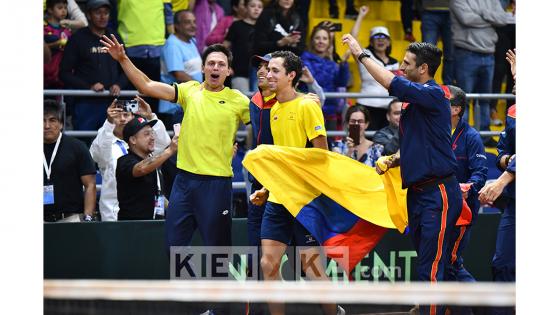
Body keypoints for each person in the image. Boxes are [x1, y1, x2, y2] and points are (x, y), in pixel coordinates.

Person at [342, 34, 462, 314]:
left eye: (407, 63)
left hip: (439, 192)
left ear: (423, 69)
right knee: (428, 264)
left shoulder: (434, 93)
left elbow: (388, 81)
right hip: (418, 193)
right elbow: (421, 143)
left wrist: (361, 53)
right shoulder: (413, 102)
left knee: (432, 268)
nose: (402, 67)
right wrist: (394, 160)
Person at [101, 37, 249, 247]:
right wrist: (123, 59)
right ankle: (191, 281)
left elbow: (264, 126)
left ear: (228, 71)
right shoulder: (190, 90)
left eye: (221, 64)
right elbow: (147, 85)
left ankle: (213, 281)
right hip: (184, 182)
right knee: (174, 247)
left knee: (218, 251)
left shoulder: (239, 100)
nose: (215, 67)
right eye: (211, 63)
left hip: (216, 183)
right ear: (203, 68)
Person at [249, 51, 339, 315]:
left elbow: (322, 157)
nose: (268, 74)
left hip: (305, 202)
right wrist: (267, 188)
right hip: (278, 199)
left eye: (275, 70)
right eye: (267, 69)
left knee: (312, 270)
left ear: (291, 76)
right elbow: (283, 161)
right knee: (268, 264)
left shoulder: (307, 106)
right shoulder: (274, 109)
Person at [444, 85, 488, 313]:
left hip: (463, 210)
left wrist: (467, 187)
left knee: (450, 263)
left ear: (456, 109)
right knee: (441, 264)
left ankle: (484, 305)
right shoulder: (435, 130)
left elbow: (480, 174)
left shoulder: (471, 137)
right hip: (437, 207)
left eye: (445, 101)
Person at [90, 97, 171, 221]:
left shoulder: (143, 144)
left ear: (132, 117)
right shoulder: (105, 141)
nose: (122, 119)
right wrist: (108, 123)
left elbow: (162, 142)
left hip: (150, 212)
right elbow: (96, 154)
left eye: (126, 115)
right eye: (117, 115)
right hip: (113, 213)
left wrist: (150, 116)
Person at [479, 49, 516, 315]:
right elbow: (501, 153)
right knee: (502, 263)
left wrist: (503, 179)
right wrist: (509, 161)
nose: (515, 82)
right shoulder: (514, 112)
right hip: (516, 204)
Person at [450, 0, 515, 146]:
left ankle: (485, 137)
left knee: (486, 99)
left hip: (489, 54)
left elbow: (503, 19)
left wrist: (481, 14)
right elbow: (466, 19)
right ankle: (462, 137)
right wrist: (491, 18)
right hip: (465, 53)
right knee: (463, 99)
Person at [60, 0, 129, 131]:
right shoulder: (77, 39)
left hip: (113, 103)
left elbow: (127, 68)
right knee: (86, 143)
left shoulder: (115, 37)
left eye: (106, 13)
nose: (103, 16)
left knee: (113, 144)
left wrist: (119, 84)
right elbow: (64, 73)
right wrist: (89, 87)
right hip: (86, 103)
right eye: (98, 13)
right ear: (88, 15)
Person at [116, 115, 179, 220]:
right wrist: (170, 150)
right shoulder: (124, 161)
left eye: (152, 133)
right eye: (146, 134)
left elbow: (159, 195)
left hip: (155, 223)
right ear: (133, 140)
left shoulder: (155, 162)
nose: (152, 137)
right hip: (132, 227)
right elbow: (141, 169)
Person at [44, 99, 97, 222]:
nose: (47, 126)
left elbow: (90, 185)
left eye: (52, 120)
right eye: (43, 121)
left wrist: (88, 217)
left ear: (61, 124)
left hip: (70, 218)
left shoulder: (77, 147)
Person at [116, 0, 173, 113]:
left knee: (154, 95)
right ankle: (127, 127)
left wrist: (173, 42)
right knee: (128, 96)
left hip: (157, 49)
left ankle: (151, 126)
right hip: (129, 48)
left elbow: (168, 15)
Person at [350, 6, 400, 131]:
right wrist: (361, 15)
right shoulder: (364, 55)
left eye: (384, 37)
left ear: (389, 42)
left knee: (385, 145)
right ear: (371, 42)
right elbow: (353, 39)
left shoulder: (396, 63)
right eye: (377, 37)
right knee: (358, 140)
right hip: (366, 106)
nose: (380, 40)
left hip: (388, 110)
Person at [301, 23, 350, 131]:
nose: (321, 41)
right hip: (311, 111)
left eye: (325, 38)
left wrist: (343, 64)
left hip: (330, 112)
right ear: (312, 41)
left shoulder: (332, 63)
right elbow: (315, 82)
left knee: (329, 146)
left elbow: (342, 83)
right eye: (317, 38)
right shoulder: (303, 60)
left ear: (329, 42)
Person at [159, 9, 203, 127]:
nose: (193, 25)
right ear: (177, 26)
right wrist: (203, 87)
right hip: (174, 108)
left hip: (187, 105)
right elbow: (178, 73)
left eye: (194, 22)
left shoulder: (192, 41)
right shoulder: (172, 44)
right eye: (187, 22)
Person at [224, 0, 264, 94]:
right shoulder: (236, 25)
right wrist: (227, 65)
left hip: (260, 73)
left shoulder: (265, 28)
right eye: (252, 6)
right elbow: (225, 47)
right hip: (239, 71)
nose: (256, 9)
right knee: (241, 102)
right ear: (245, 8)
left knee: (258, 103)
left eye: (259, 7)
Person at [421, 0, 454, 85]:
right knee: (427, 54)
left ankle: (448, 87)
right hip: (429, 10)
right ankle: (426, 85)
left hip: (452, 11)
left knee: (450, 54)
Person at [44, 0, 72, 88]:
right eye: (60, 8)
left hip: (61, 77)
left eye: (65, 8)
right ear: (50, 10)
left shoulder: (67, 30)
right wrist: (54, 44)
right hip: (44, 75)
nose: (64, 11)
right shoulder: (43, 28)